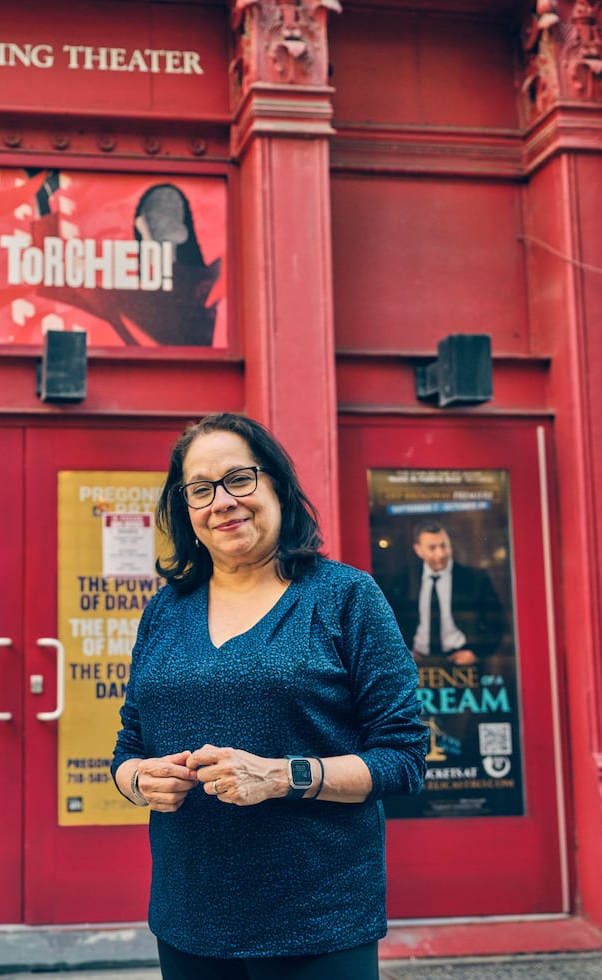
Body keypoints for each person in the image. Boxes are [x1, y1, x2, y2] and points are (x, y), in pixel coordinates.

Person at [111, 413, 429, 979]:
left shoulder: (345, 597)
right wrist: (139, 780)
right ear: (186, 510)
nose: (222, 502)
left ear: (277, 486)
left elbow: (403, 757)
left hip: (318, 922)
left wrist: (283, 777)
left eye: (239, 479)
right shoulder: (165, 611)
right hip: (188, 918)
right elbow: (128, 746)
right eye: (201, 490)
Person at [391, 521, 507, 667]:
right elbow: (391, 622)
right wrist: (403, 652)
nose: (440, 553)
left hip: (463, 662)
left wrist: (477, 653)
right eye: (432, 548)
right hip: (417, 663)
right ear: (418, 550)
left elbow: (497, 622)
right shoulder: (404, 579)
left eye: (443, 545)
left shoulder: (474, 578)